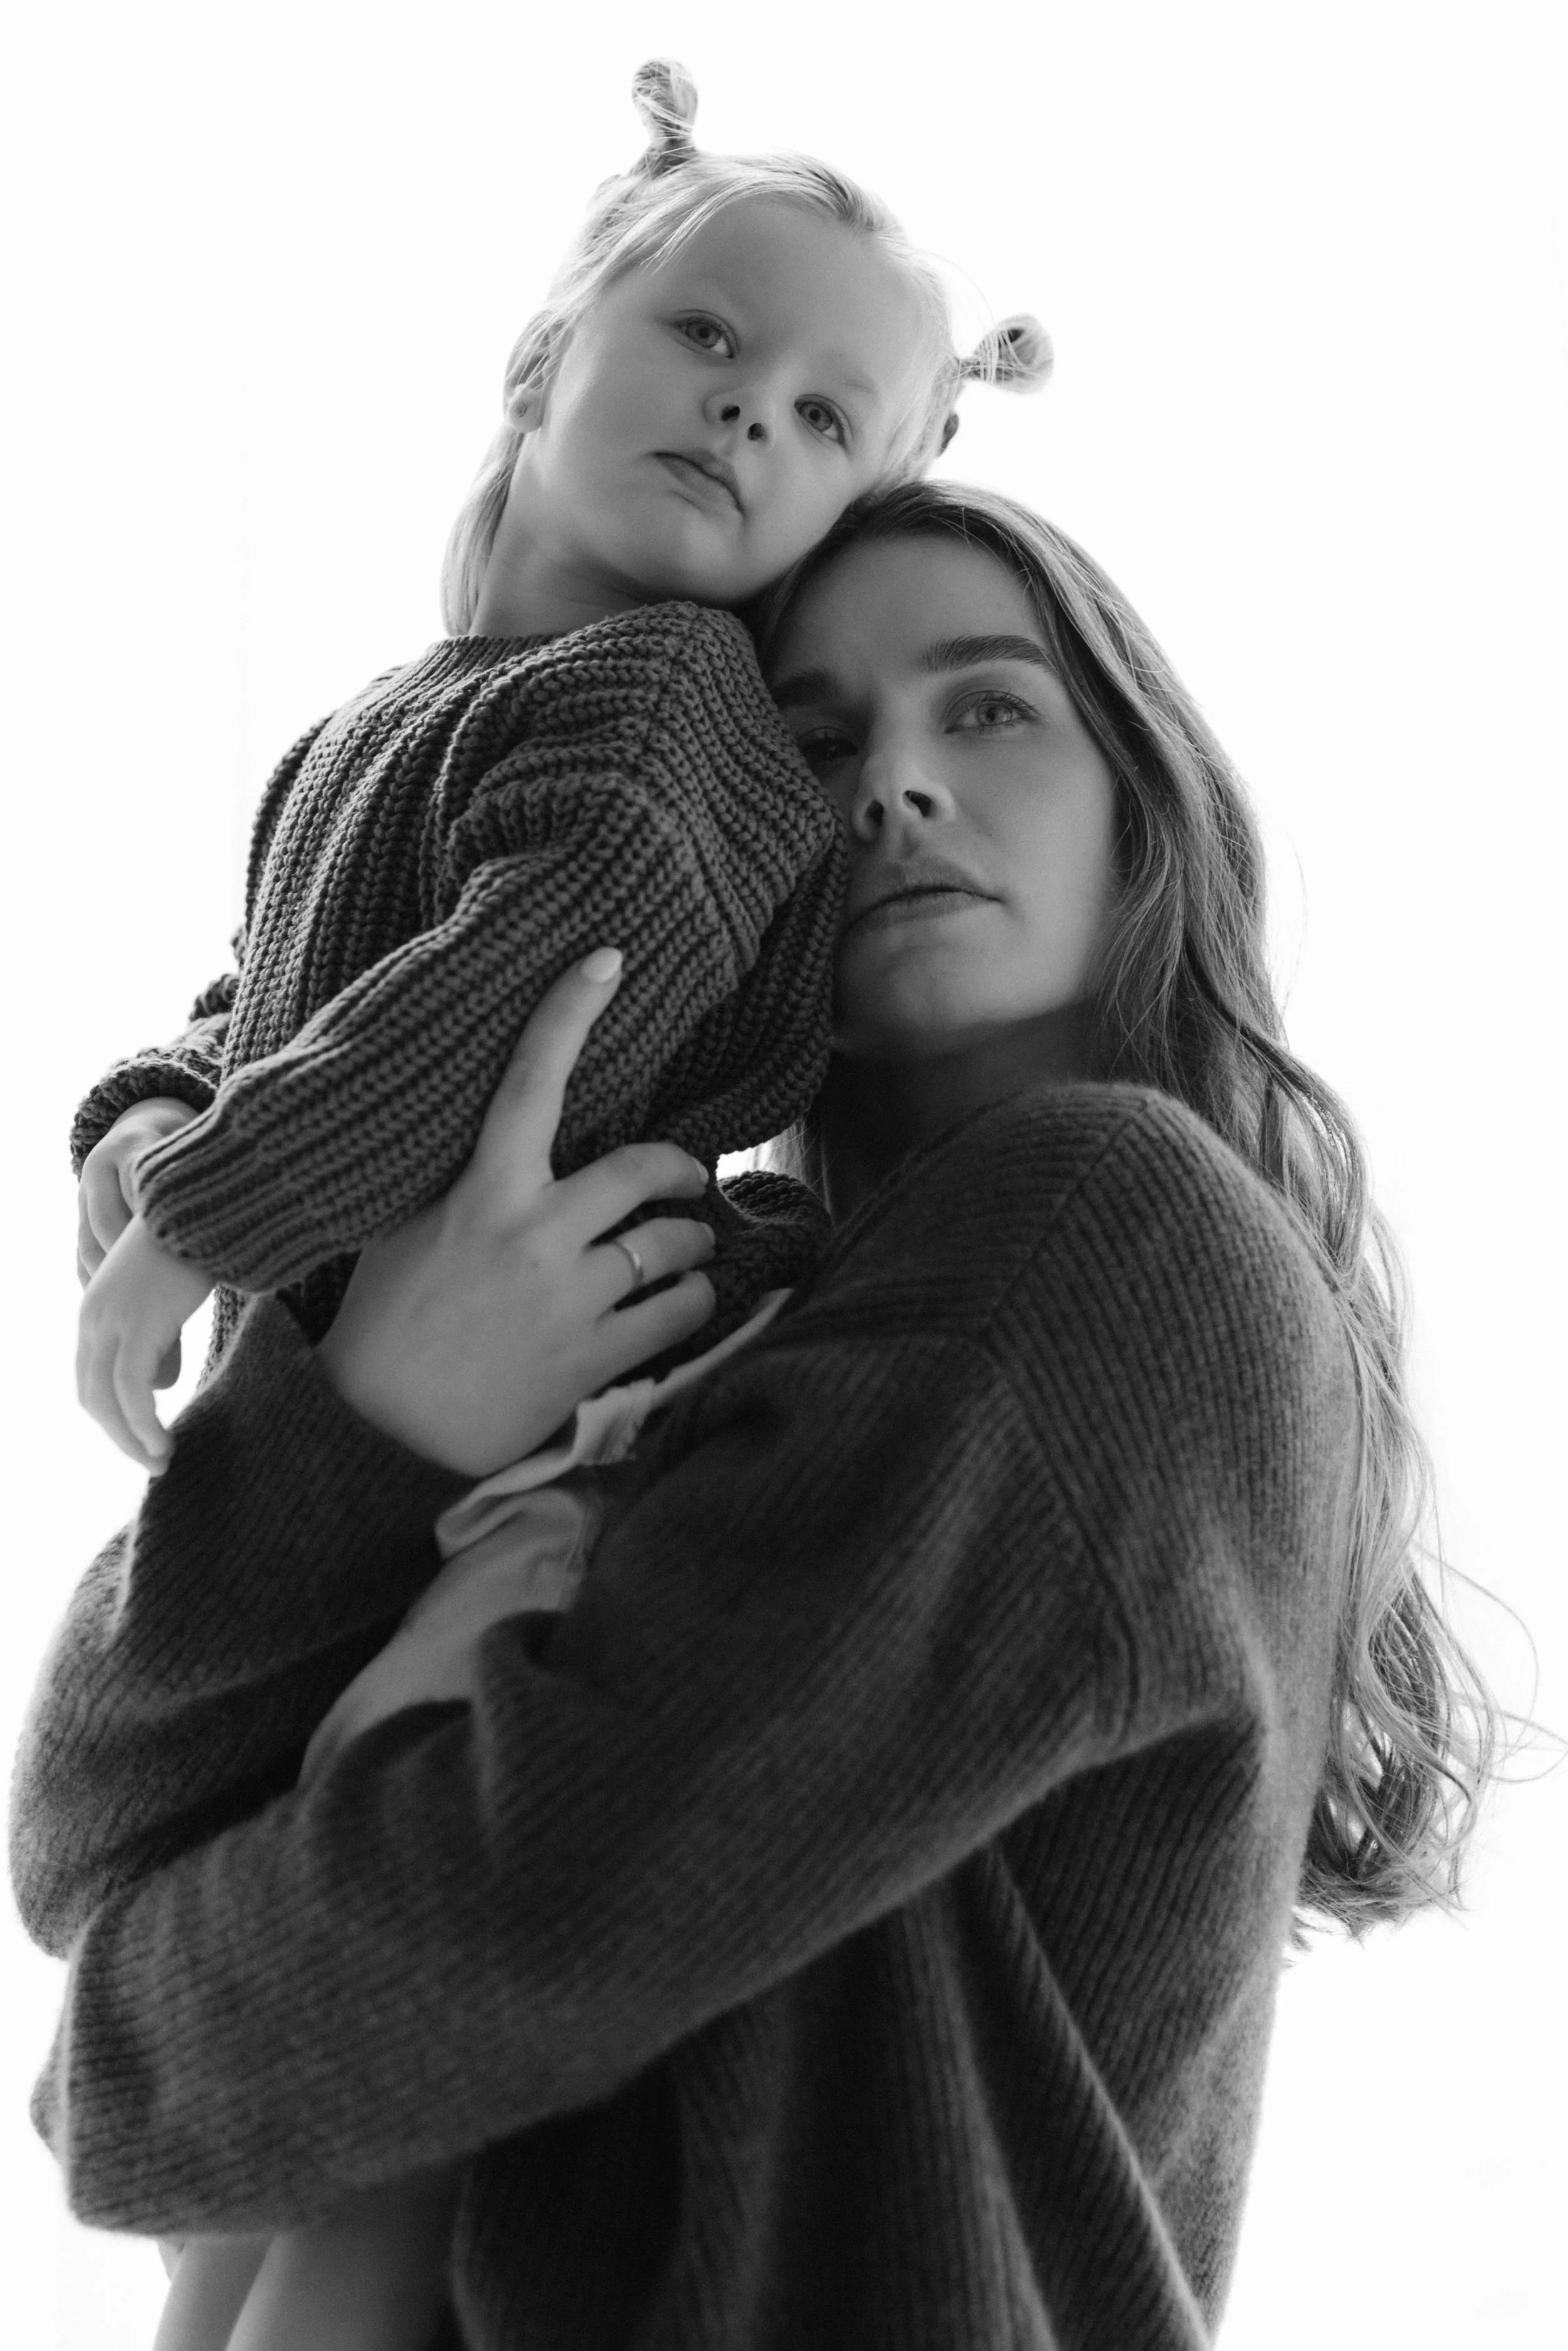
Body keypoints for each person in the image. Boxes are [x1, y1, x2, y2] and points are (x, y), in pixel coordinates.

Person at [13, 481, 1500, 2351]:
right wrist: (373, 1405)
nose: (887, 788)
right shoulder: (690, 1308)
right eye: (812, 737)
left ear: (1146, 813)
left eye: (986, 707)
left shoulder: (1107, 1222)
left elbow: (529, 1907)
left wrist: (120, 2065)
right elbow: (93, 1825)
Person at [71, 53, 1049, 1473]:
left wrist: (201, 1212)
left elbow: (505, 985)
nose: (752, 406)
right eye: (709, 332)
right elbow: (289, 991)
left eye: (825, 417)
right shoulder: (376, 720)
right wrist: (166, 1096)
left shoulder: (669, 697)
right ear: (540, 361)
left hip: (580, 1434)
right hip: (366, 1390)